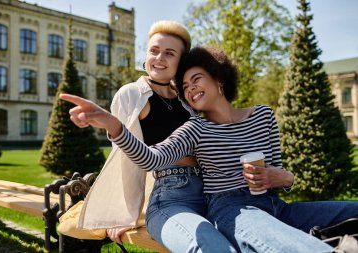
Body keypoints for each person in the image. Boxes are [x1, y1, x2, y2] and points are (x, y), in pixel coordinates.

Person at [60, 46, 358, 253]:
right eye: (184, 86)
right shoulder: (195, 129)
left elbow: (281, 174)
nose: (189, 89)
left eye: (196, 79)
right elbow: (152, 158)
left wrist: (284, 178)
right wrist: (114, 125)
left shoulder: (264, 115)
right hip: (233, 211)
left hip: (275, 207)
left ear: (218, 79)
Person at [74, 21, 235, 252]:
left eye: (169, 53)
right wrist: (124, 213)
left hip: (210, 190)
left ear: (182, 61)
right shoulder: (131, 94)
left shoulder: (186, 99)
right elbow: (123, 157)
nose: (159, 58)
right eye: (154, 50)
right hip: (171, 189)